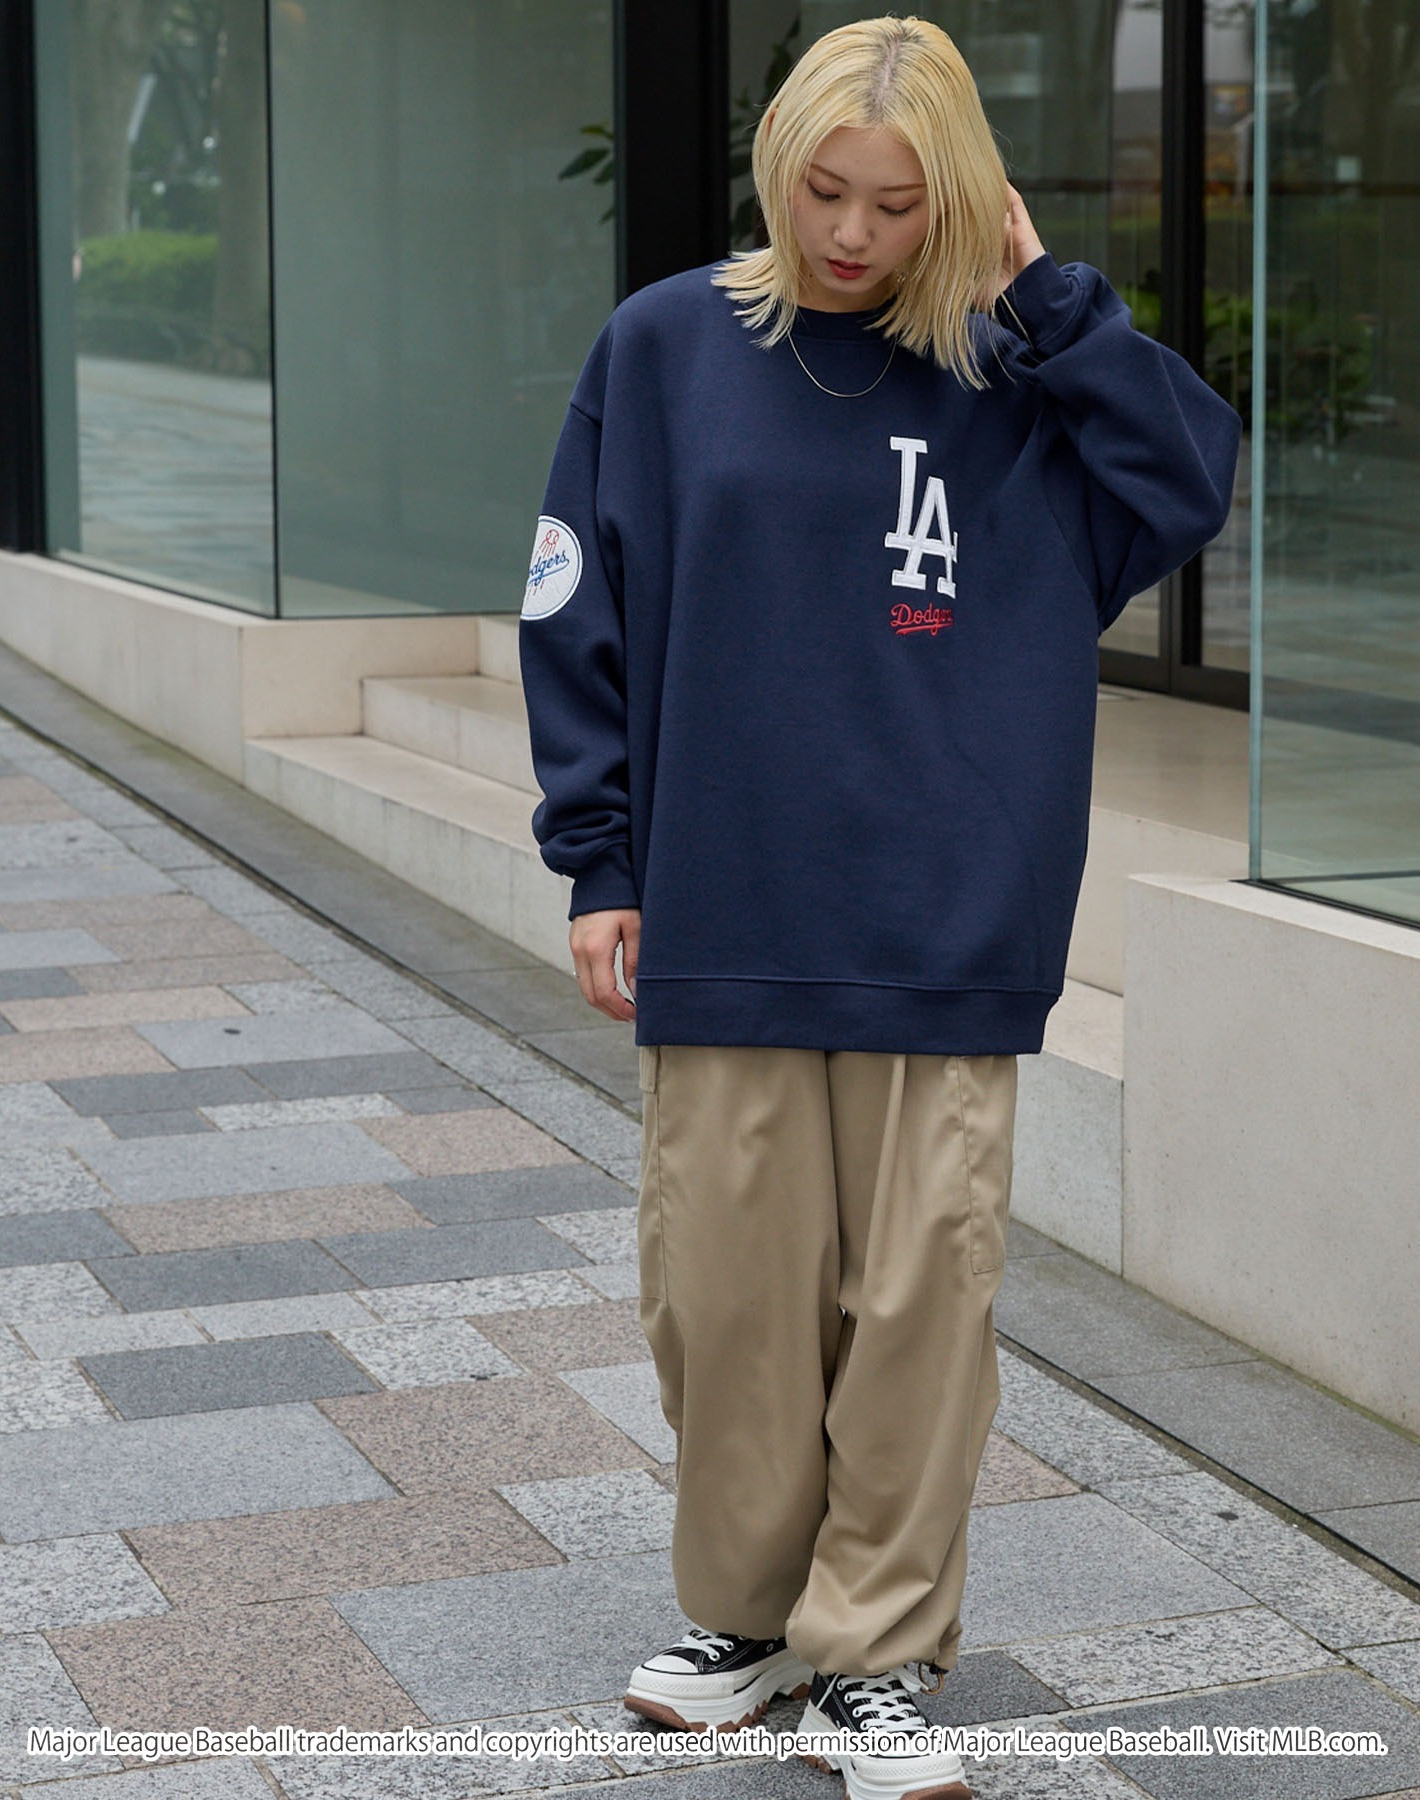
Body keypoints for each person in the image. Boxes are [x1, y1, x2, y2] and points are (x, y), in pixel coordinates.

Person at [517, 17, 1241, 1800]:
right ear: (778, 168)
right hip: (727, 902)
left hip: (949, 918)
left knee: (921, 1300)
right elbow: (576, 600)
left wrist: (1049, 301)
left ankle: (878, 1652)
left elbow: (1190, 482)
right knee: (726, 1301)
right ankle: (752, 1623)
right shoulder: (668, 346)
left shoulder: (1019, 372)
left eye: (900, 203)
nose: (851, 233)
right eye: (824, 190)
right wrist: (600, 857)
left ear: (964, 198)